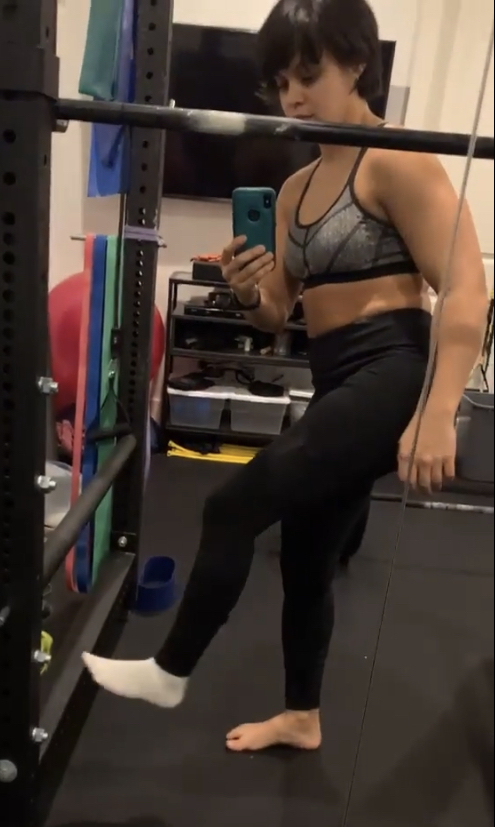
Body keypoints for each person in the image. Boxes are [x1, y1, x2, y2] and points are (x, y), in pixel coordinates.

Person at [82, 0, 488, 752]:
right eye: (282, 82)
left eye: (310, 74)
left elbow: (467, 285)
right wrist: (245, 288)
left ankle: (171, 670)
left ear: (357, 63)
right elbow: (274, 315)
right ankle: (303, 716)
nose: (294, 96)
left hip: (393, 367)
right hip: (337, 378)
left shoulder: (396, 159)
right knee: (306, 560)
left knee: (231, 506)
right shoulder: (297, 189)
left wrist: (438, 411)